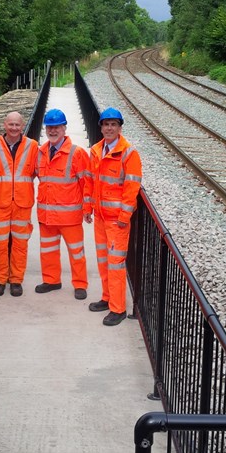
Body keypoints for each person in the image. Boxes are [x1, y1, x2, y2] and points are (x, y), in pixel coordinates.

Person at [86, 107, 142, 326]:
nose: (109, 128)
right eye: (106, 124)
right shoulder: (97, 150)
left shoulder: (128, 152)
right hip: (100, 217)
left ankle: (118, 309)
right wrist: (88, 208)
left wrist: (124, 216)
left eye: (113, 124)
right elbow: (91, 181)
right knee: (103, 261)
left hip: (116, 221)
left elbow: (132, 185)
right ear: (101, 127)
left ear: (119, 128)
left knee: (116, 263)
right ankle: (107, 298)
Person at [35, 109, 93, 300]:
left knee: (76, 252)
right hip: (47, 215)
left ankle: (80, 284)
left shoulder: (77, 153)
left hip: (70, 216)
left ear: (64, 128)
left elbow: (87, 184)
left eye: (57, 127)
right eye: (50, 127)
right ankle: (51, 280)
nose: (53, 131)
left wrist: (87, 209)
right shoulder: (41, 153)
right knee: (48, 250)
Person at [0, 111, 38, 297]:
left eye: (17, 125)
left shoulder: (33, 146)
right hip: (0, 202)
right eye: (11, 124)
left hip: (22, 203)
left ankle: (16, 280)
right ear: (4, 125)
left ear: (22, 126)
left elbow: (33, 172)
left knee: (20, 244)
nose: (14, 128)